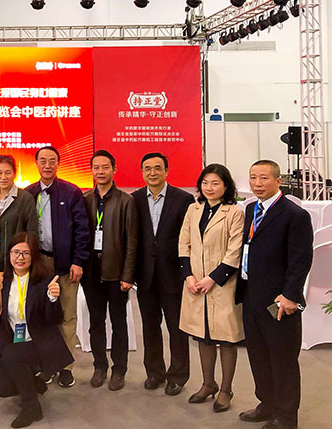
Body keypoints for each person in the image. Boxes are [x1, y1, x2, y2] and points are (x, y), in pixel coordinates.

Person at [237, 160, 313, 429]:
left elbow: (300, 260)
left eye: (264, 178)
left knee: (282, 359)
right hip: (252, 294)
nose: (257, 183)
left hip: (279, 299)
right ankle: (267, 404)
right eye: (253, 178)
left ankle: (286, 416)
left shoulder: (294, 215)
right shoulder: (251, 209)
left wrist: (290, 295)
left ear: (278, 181)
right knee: (258, 354)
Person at [0, 232, 73, 428]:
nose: (20, 257)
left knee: (12, 355)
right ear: (9, 254)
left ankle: (31, 406)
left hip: (40, 345)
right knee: (1, 387)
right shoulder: (2, 280)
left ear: (34, 255)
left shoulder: (45, 281)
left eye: (26, 253)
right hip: (13, 346)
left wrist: (53, 299)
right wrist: (4, 344)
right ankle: (35, 384)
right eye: (15, 252)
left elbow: (54, 320)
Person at [178, 163, 244, 413]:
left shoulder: (234, 212)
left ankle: (226, 389)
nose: (209, 188)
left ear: (226, 186)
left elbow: (235, 251)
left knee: (226, 337)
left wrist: (213, 279)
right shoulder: (193, 209)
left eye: (215, 183)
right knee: (202, 335)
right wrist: (189, 276)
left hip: (222, 284)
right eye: (205, 183)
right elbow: (184, 244)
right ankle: (208, 384)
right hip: (195, 283)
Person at [24, 146, 90, 388]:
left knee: (66, 316)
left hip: (65, 264)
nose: (47, 165)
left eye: (52, 160)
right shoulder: (28, 194)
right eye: (43, 160)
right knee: (40, 317)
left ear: (58, 164)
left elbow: (82, 229)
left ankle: (66, 367)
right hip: (38, 265)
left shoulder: (71, 192)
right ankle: (46, 364)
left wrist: (78, 261)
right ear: (36, 163)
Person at [132, 153, 194, 396]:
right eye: (147, 168)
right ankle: (154, 372)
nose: (153, 173)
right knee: (150, 327)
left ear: (167, 170)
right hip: (145, 275)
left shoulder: (184, 199)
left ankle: (177, 376)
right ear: (142, 172)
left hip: (173, 274)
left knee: (177, 328)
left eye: (158, 168)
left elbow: (189, 238)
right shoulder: (135, 199)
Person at [82, 149, 138, 391]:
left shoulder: (126, 201)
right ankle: (100, 366)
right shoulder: (85, 199)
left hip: (116, 274)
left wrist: (128, 275)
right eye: (96, 167)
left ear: (114, 169)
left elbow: (132, 242)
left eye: (105, 167)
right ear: (91, 170)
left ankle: (119, 369)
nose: (101, 171)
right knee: (95, 323)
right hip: (91, 272)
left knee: (118, 324)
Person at [0, 154, 38, 382]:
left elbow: (32, 233)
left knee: (15, 315)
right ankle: (5, 365)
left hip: (15, 269)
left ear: (14, 174)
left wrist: (25, 260)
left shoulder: (24, 199)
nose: (3, 177)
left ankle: (21, 367)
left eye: (8, 172)